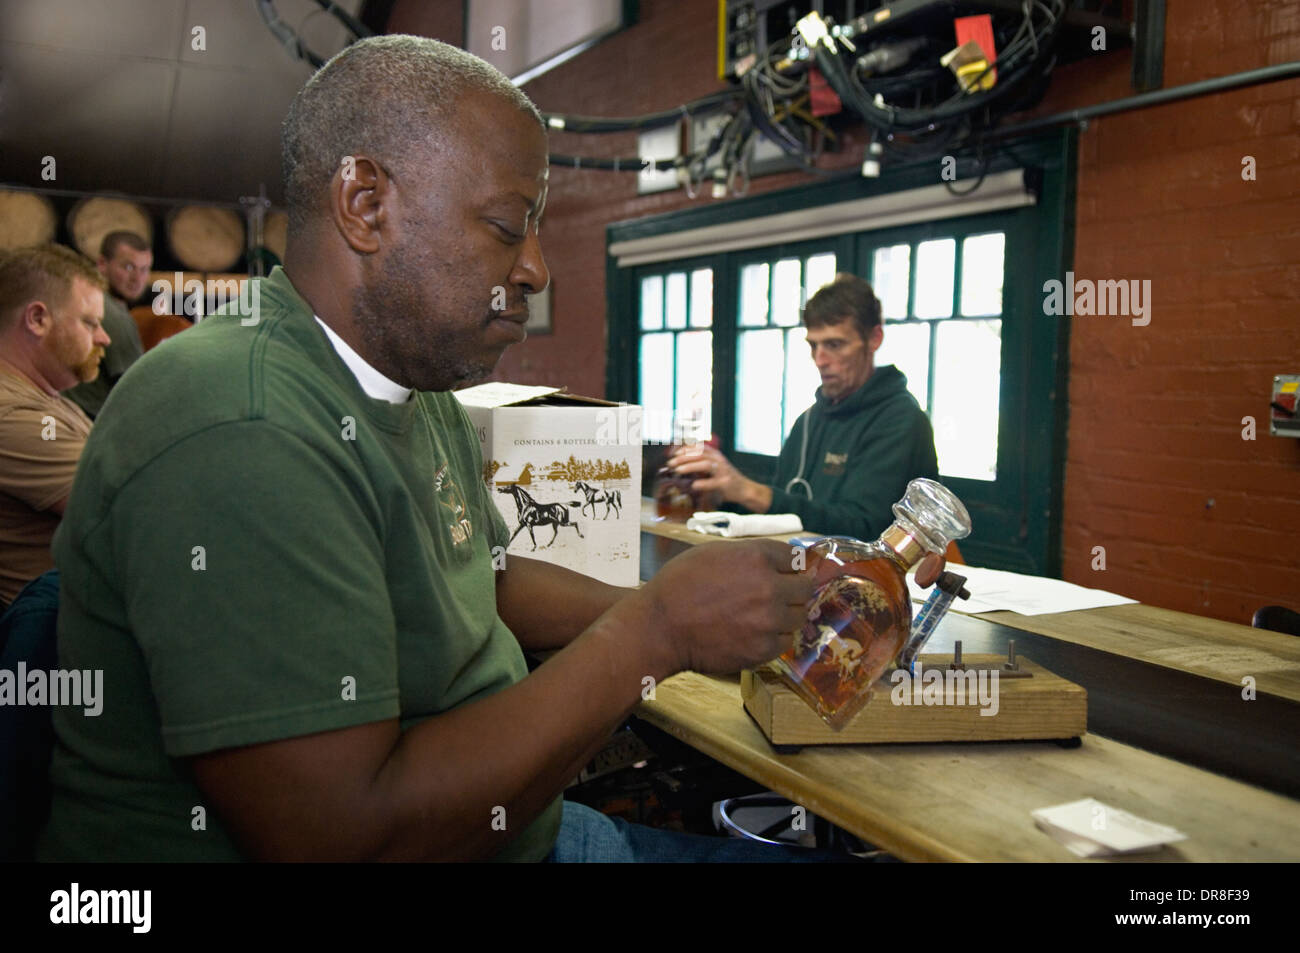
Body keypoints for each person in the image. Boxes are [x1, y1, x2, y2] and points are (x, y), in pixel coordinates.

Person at [40, 35, 900, 863]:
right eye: (505, 226)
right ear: (366, 205)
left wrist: (680, 597)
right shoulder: (241, 423)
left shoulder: (405, 379)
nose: (535, 270)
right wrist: (659, 630)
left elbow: (483, 570)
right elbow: (346, 836)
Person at [668, 273, 939, 541]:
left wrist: (752, 492)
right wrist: (718, 493)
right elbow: (780, 517)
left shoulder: (901, 421)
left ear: (874, 339)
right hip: (801, 568)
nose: (820, 359)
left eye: (834, 344)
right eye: (813, 345)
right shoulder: (809, 420)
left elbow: (866, 530)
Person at [0, 245, 109, 607]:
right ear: (37, 319)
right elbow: (133, 508)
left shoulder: (46, 397)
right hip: (52, 640)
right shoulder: (13, 414)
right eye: (90, 323)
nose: (104, 338)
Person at [64, 231, 148, 419]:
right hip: (94, 423)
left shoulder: (88, 301)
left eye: (144, 269)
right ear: (102, 264)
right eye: (128, 267)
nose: (137, 278)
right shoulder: (112, 315)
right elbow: (137, 390)